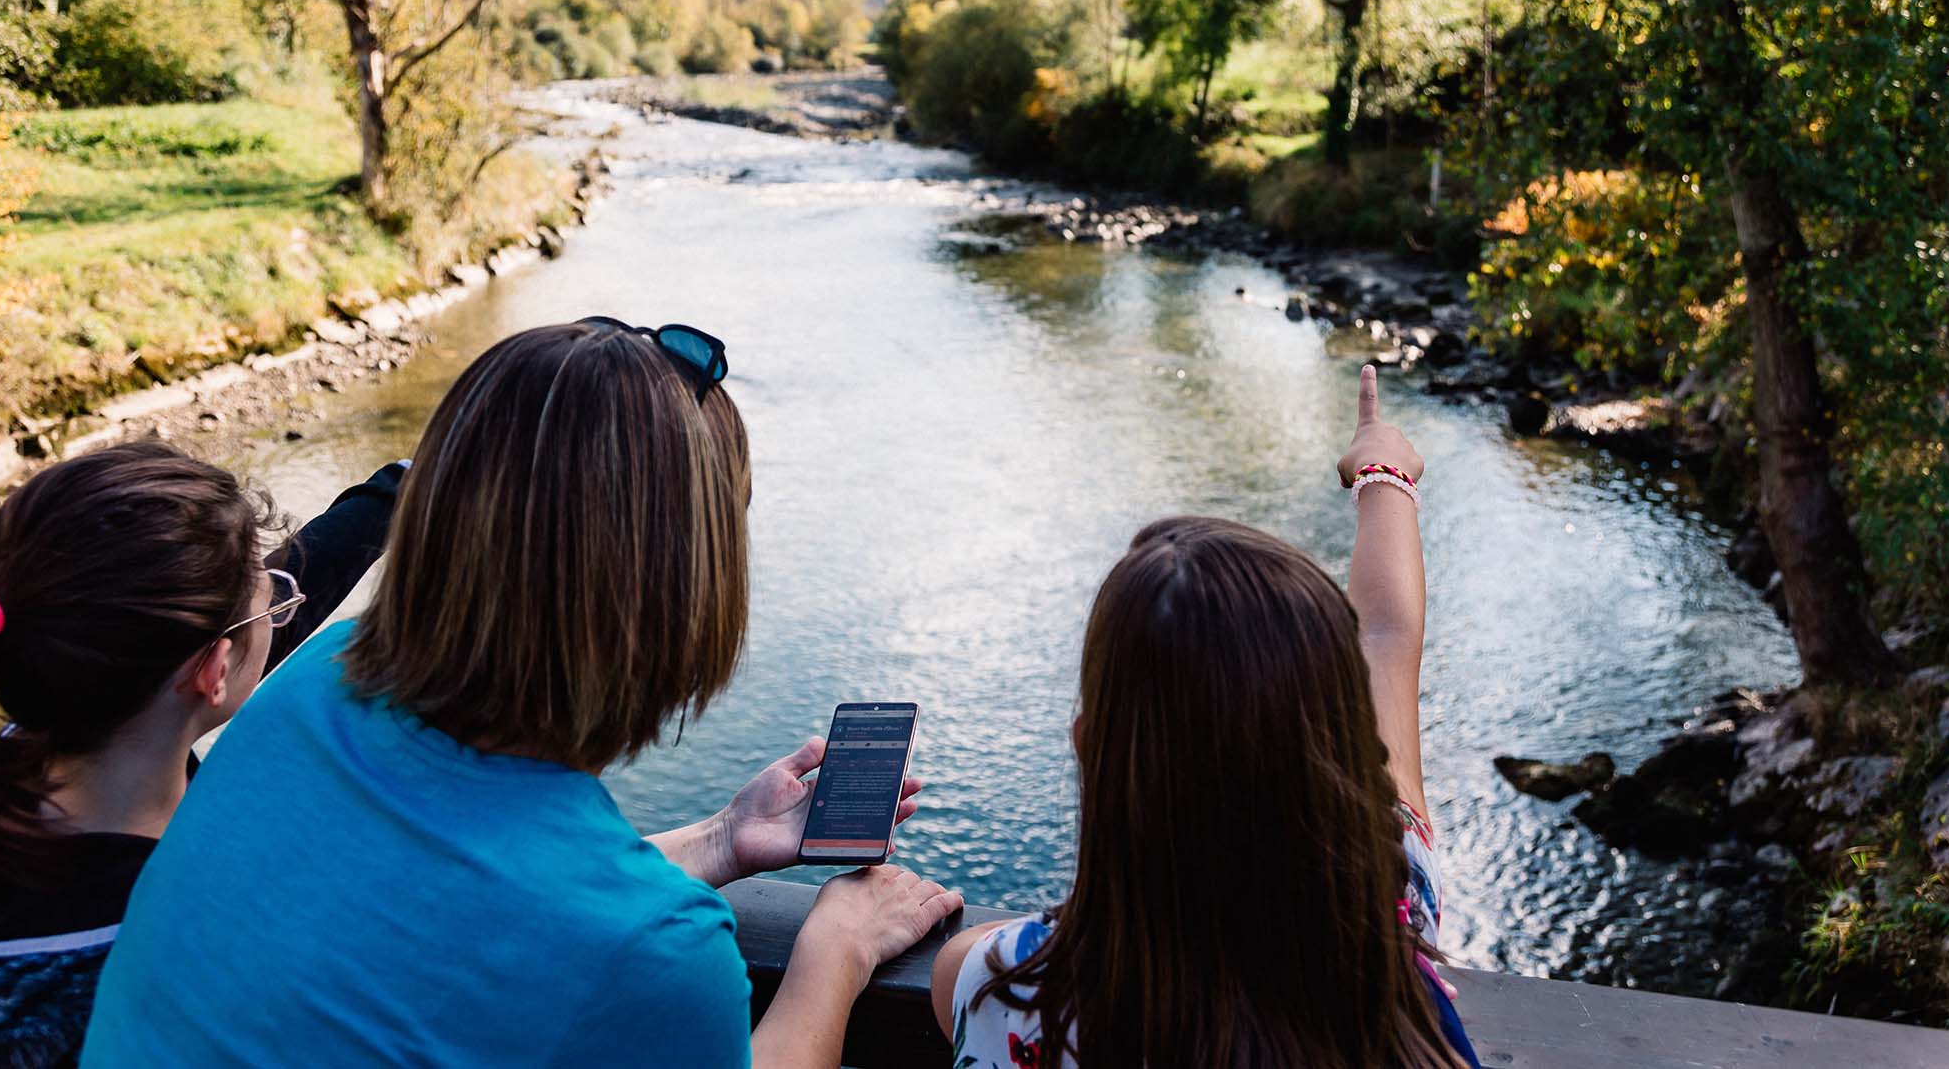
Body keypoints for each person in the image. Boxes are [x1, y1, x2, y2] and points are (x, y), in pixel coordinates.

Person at [83, 320, 964, 1068]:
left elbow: (459, 923)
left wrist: (720, 840)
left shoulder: (317, 685)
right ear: (683, 585)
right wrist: (835, 953)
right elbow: (559, 931)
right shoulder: (657, 955)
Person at [933, 364, 1481, 1068]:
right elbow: (1385, 638)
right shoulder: (1395, 914)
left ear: (1088, 748)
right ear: (1340, 748)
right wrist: (1383, 471)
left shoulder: (1012, 994)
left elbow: (955, 962)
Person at [0, 443, 408, 1066]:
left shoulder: (14, 748)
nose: (282, 607)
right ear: (213, 672)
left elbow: (199, 643)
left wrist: (400, 488)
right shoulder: (174, 931)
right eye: (273, 599)